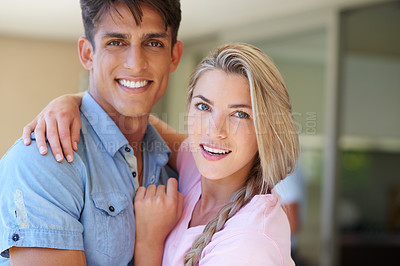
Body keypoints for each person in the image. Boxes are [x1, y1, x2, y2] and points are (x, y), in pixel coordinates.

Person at [22, 43, 300, 265]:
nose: (215, 131)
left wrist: (149, 241)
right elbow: (135, 119)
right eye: (204, 107)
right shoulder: (199, 165)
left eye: (240, 114)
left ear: (268, 126)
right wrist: (68, 102)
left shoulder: (249, 246)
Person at [0, 0, 183, 265]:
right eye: (116, 42)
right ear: (87, 54)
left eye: (153, 43)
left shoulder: (177, 166)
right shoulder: (44, 159)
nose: (135, 64)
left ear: (174, 56)